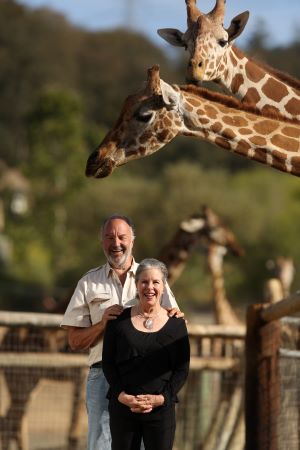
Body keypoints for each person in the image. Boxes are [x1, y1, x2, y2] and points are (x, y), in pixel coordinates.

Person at [61, 215, 181, 450]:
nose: (116, 243)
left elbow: (175, 321)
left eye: (121, 237)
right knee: (102, 445)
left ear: (132, 240)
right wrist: (102, 324)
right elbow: (74, 341)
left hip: (148, 377)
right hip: (103, 378)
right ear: (102, 242)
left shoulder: (153, 279)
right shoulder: (88, 283)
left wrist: (175, 316)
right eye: (109, 237)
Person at [102, 258, 190, 450]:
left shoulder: (177, 324)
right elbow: (108, 363)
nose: (149, 287)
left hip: (161, 411)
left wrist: (163, 398)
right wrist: (122, 396)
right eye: (144, 282)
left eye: (156, 282)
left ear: (164, 286)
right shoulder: (118, 321)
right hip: (124, 409)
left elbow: (182, 370)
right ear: (136, 285)